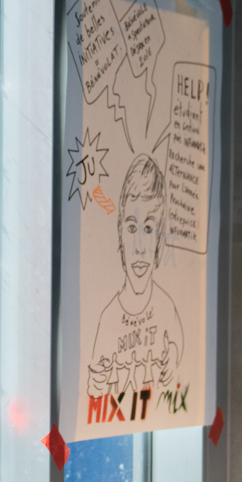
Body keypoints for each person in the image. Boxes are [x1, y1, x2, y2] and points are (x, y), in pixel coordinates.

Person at [87, 155, 184, 408]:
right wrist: (96, 385)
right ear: (120, 232)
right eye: (132, 228)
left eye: (148, 229)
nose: (139, 247)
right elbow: (93, 389)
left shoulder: (166, 307)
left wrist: (173, 356)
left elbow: (178, 344)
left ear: (159, 239)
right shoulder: (108, 318)